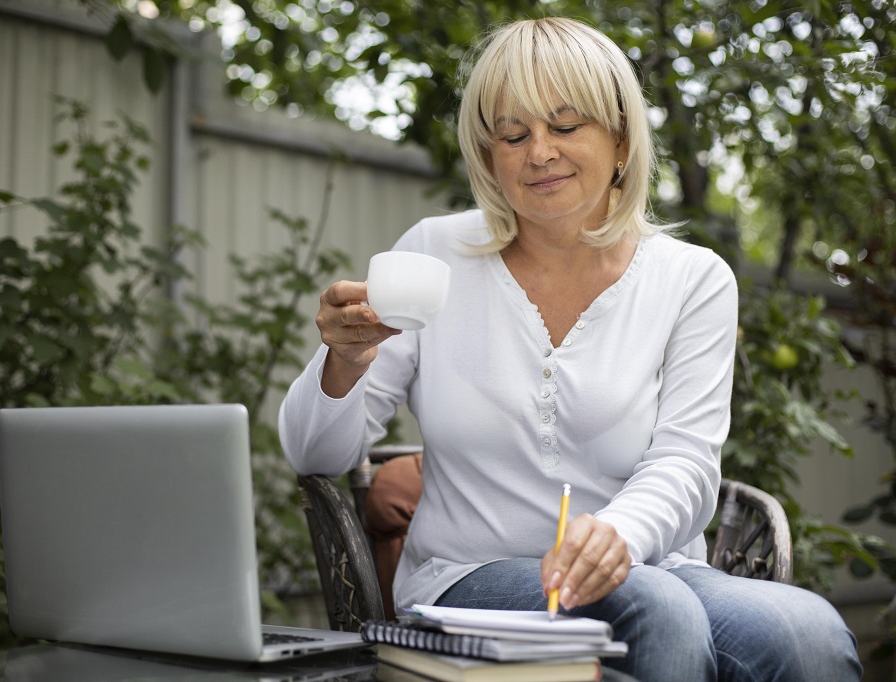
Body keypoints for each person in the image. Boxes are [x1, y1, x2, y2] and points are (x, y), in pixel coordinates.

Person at [278, 16, 862, 682]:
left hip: (653, 564)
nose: (539, 153)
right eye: (513, 135)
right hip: (468, 578)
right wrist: (345, 362)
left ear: (621, 139)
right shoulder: (433, 255)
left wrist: (619, 535)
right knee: (653, 608)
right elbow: (313, 455)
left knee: (808, 634)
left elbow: (687, 460)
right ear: (488, 155)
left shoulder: (693, 278)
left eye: (564, 126)